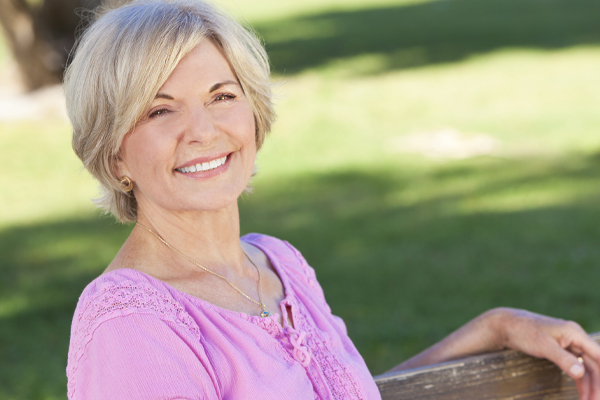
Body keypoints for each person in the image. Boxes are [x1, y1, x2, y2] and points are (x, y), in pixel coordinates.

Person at [63, 0, 600, 399]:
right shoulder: (130, 324)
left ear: (254, 114)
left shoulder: (276, 263)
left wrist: (494, 328)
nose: (202, 131)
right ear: (113, 156)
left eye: (222, 97)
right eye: (161, 111)